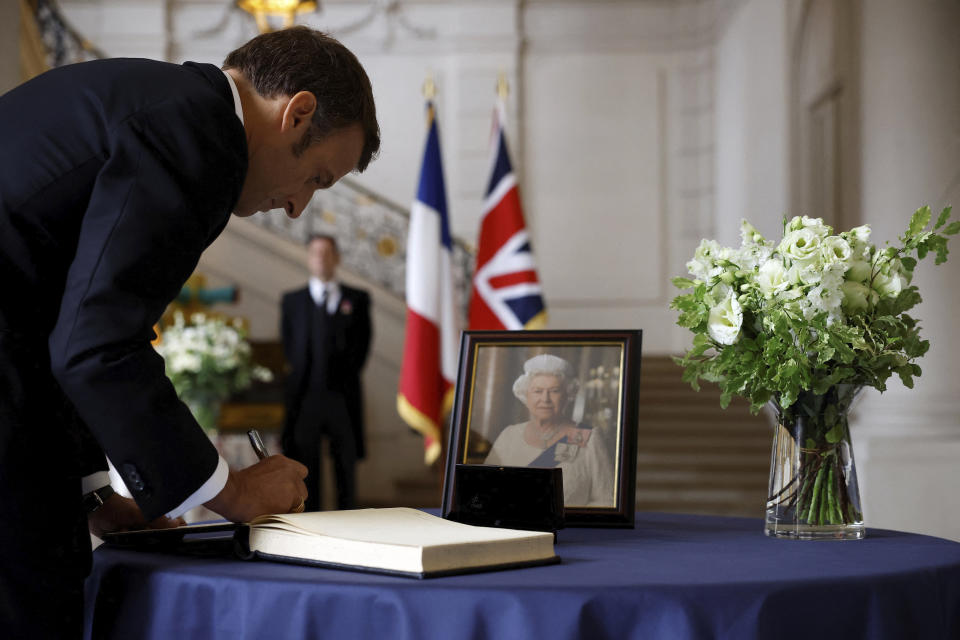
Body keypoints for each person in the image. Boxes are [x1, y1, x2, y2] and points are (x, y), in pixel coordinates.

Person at [0, 26, 379, 638]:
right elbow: (98, 345)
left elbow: (54, 325)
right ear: (297, 113)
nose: (298, 207)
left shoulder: (163, 99)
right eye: (316, 177)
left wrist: (95, 493)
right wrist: (233, 494)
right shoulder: (198, 135)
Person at [281, 233, 371, 511]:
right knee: (307, 468)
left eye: (327, 252)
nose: (321, 258)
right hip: (305, 398)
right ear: (309, 259)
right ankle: (315, 524)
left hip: (342, 398)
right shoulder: (292, 301)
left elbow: (363, 345)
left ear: (337, 258)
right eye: (315, 253)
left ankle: (349, 522)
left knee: (346, 466)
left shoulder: (358, 299)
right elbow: (288, 345)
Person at [484, 354, 615, 507]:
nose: (545, 399)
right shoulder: (509, 435)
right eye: (537, 391)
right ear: (526, 396)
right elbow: (486, 487)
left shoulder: (589, 438)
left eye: (554, 391)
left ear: (568, 395)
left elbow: (606, 500)